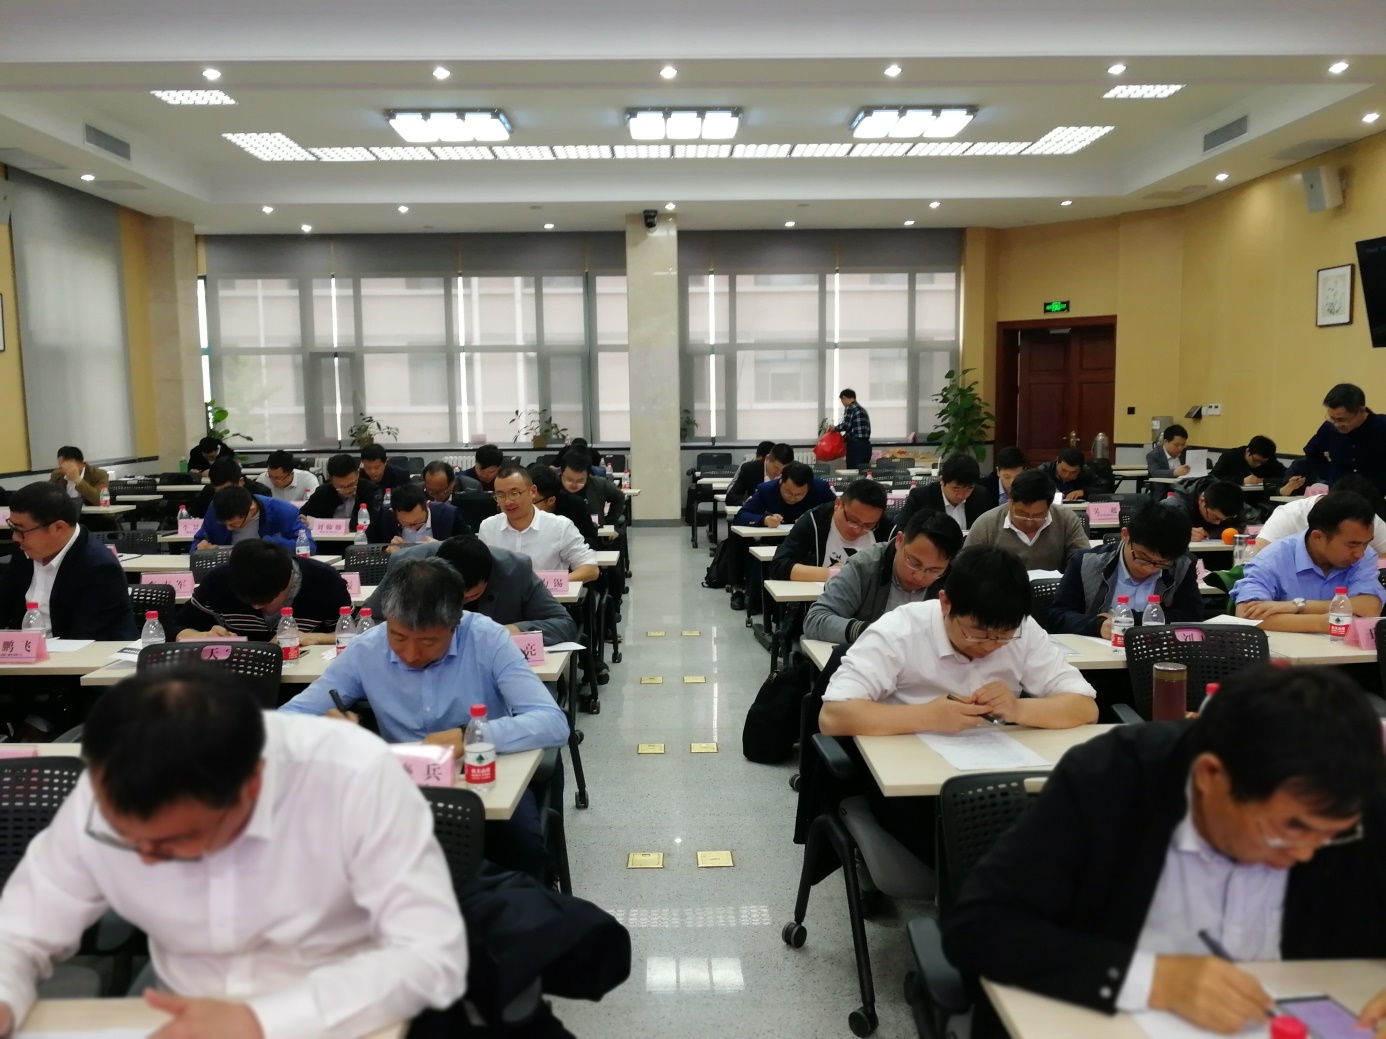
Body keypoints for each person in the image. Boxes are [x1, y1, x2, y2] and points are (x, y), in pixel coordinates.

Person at [0, 665, 468, 1038]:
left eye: (173, 842)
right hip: (181, 1009)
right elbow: (20, 930)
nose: (144, 859)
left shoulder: (352, 775)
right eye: (123, 838)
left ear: (252, 786)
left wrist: (262, 1022)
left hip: (340, 1015)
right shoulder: (112, 785)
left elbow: (430, 955)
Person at [942, 665, 1386, 1038]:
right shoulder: (1111, 779)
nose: (1306, 854)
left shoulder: (1357, 802)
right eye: (1291, 828)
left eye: (1332, 835)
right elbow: (980, 927)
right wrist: (1153, 979)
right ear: (1211, 777)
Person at [282, 557, 570, 877]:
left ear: (455, 623)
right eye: (398, 637)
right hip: (400, 787)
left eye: (428, 641)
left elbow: (552, 721)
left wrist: (470, 735)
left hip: (483, 780)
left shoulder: (488, 639)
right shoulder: (367, 648)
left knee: (522, 852)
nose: (410, 654)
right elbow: (287, 718)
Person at [819, 545, 1097, 737]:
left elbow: (1085, 707)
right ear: (945, 603)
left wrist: (1018, 708)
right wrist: (927, 717)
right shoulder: (898, 631)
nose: (990, 645)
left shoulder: (1023, 628)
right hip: (910, 770)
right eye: (977, 634)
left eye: (1003, 637)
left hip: (997, 765)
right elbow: (833, 715)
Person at [365, 536, 578, 645]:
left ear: (490, 578)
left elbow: (564, 624)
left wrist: (509, 631)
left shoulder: (515, 569)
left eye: (471, 596)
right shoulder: (408, 566)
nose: (461, 605)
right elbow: (368, 620)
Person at [1232, 491, 1386, 632]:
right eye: (1352, 544)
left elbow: (1369, 607)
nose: (1360, 553)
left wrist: (1297, 606)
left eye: (1366, 543)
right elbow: (1246, 613)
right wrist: (1322, 623)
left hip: (1347, 652)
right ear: (1318, 537)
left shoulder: (1365, 556)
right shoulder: (1273, 558)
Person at [0, 482, 137, 640]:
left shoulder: (99, 568)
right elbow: (4, 603)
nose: (15, 537)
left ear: (58, 528)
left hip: (82, 652)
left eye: (21, 530)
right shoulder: (25, 549)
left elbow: (85, 640)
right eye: (13, 528)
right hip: (27, 649)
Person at [803, 510, 963, 645]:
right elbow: (816, 620)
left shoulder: (955, 578)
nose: (920, 576)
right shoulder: (864, 567)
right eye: (914, 563)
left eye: (934, 570)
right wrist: (872, 632)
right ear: (899, 541)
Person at [1049, 501, 1201, 638]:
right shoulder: (1086, 562)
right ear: (1125, 535)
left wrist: (1129, 621)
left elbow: (1192, 616)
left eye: (1162, 563)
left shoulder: (1182, 564)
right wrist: (1098, 625)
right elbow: (1058, 616)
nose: (1149, 569)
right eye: (1143, 558)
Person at [175, 539, 350, 644]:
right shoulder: (218, 580)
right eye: (247, 601)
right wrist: (204, 636)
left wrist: (317, 638)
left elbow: (356, 634)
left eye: (268, 600)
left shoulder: (325, 581)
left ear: (289, 581)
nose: (256, 607)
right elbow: (175, 628)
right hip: (233, 680)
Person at [726, 462, 836, 611]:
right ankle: (742, 590)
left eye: (799, 494)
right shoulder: (766, 490)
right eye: (788, 492)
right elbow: (741, 515)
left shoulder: (821, 489)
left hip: (809, 542)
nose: (793, 498)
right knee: (737, 539)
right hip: (775, 540)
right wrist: (764, 520)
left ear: (809, 488)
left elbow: (836, 511)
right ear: (780, 482)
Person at [478, 467, 598, 583]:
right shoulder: (488, 527)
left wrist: (554, 583)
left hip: (548, 595)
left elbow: (590, 569)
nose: (508, 501)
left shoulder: (560, 526)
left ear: (533, 492)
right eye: (500, 495)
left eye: (514, 493)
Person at [966, 469, 1090, 573]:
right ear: (1010, 500)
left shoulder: (1065, 519)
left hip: (1053, 591)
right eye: (1022, 514)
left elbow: (1084, 561)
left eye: (1038, 515)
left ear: (1049, 506)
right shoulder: (986, 524)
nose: (1029, 522)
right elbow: (967, 570)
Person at [769, 478, 888, 582]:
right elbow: (778, 566)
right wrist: (835, 573)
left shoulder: (886, 528)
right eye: (852, 520)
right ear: (838, 504)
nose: (858, 530)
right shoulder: (814, 521)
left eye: (869, 525)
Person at [1256, 474, 1386, 555]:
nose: (1360, 554)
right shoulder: (1288, 516)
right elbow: (1259, 555)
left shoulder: (1365, 516)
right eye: (1352, 544)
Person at [1303, 382, 1386, 495]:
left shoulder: (1382, 426)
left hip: (1376, 497)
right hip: (1338, 496)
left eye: (1342, 420)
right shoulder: (1329, 428)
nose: (1337, 424)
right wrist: (1330, 475)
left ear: (1361, 411)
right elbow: (1312, 452)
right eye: (1332, 418)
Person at [193, 486, 316, 554]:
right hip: (227, 567)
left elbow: (310, 546)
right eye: (224, 524)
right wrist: (199, 549)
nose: (228, 528)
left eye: (234, 524)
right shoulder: (215, 508)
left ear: (251, 510)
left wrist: (269, 544)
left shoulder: (283, 510)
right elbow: (199, 539)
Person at [897, 453, 995, 533]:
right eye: (956, 488)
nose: (961, 495)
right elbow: (903, 526)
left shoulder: (981, 496)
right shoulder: (921, 496)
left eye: (969, 489)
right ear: (942, 481)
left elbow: (991, 528)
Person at [369, 482, 468, 553]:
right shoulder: (385, 515)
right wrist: (386, 551)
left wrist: (441, 547)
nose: (413, 528)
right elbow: (366, 546)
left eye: (418, 521)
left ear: (427, 506)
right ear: (393, 512)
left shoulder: (449, 514)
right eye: (406, 524)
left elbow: (471, 547)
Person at [530, 465, 602, 549]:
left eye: (532, 502)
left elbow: (591, 541)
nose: (526, 505)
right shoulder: (519, 508)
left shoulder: (575, 506)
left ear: (551, 501)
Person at [301, 453, 378, 532]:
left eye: (351, 485)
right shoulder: (322, 492)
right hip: (329, 538)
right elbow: (304, 512)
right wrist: (302, 517)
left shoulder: (371, 490)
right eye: (340, 487)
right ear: (331, 480)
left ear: (357, 474)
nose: (347, 490)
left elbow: (374, 520)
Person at [188, 457, 274, 519]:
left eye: (227, 489)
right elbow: (195, 516)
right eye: (218, 491)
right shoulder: (209, 492)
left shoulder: (261, 493)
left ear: (241, 481)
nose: (224, 495)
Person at [560, 451, 627, 527]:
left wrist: (610, 522)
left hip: (594, 531)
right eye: (569, 480)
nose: (574, 485)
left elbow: (620, 498)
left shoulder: (599, 484)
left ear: (588, 476)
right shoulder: (553, 484)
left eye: (580, 481)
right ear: (561, 473)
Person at [1164, 479, 1244, 541]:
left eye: (1224, 520)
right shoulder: (1174, 506)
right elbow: (1158, 531)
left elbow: (1248, 524)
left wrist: (1211, 533)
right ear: (1202, 501)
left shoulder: (1231, 498)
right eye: (1215, 517)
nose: (1217, 523)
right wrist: (1182, 534)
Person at [1211, 434, 1293, 491]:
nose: (1258, 465)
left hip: (1260, 497)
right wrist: (1242, 481)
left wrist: (1264, 481)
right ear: (1248, 451)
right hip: (1233, 495)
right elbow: (1214, 477)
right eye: (1255, 460)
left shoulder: (1270, 460)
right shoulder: (1230, 456)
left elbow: (1284, 476)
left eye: (1262, 462)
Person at [726, 443, 792, 507]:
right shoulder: (750, 469)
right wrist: (750, 500)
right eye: (776, 467)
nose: (779, 472)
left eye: (783, 469)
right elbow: (731, 497)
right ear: (767, 458)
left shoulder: (792, 472)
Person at [835, 388, 872, 471]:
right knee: (863, 471)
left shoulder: (850, 408)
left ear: (844, 398)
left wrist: (835, 428)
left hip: (855, 446)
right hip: (866, 446)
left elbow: (845, 426)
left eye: (842, 401)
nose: (842, 403)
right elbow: (853, 429)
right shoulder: (862, 409)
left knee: (853, 471)